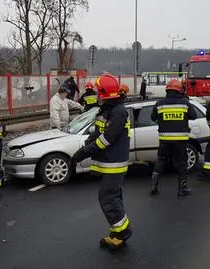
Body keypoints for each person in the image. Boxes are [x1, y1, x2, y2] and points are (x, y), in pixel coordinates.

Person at [70, 74, 132, 250]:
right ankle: (117, 230)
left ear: (105, 94)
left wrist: (83, 153)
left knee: (108, 198)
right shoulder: (107, 109)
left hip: (115, 163)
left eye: (99, 92)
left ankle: (122, 233)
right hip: (109, 162)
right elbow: (97, 133)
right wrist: (86, 144)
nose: (96, 95)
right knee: (113, 198)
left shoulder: (118, 111)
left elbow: (106, 139)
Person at [149, 79, 197, 196]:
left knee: (161, 161)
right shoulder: (185, 103)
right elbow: (194, 116)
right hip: (180, 140)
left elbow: (153, 118)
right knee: (182, 164)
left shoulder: (160, 103)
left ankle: (154, 186)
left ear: (167, 90)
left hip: (165, 140)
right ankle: (182, 189)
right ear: (180, 90)